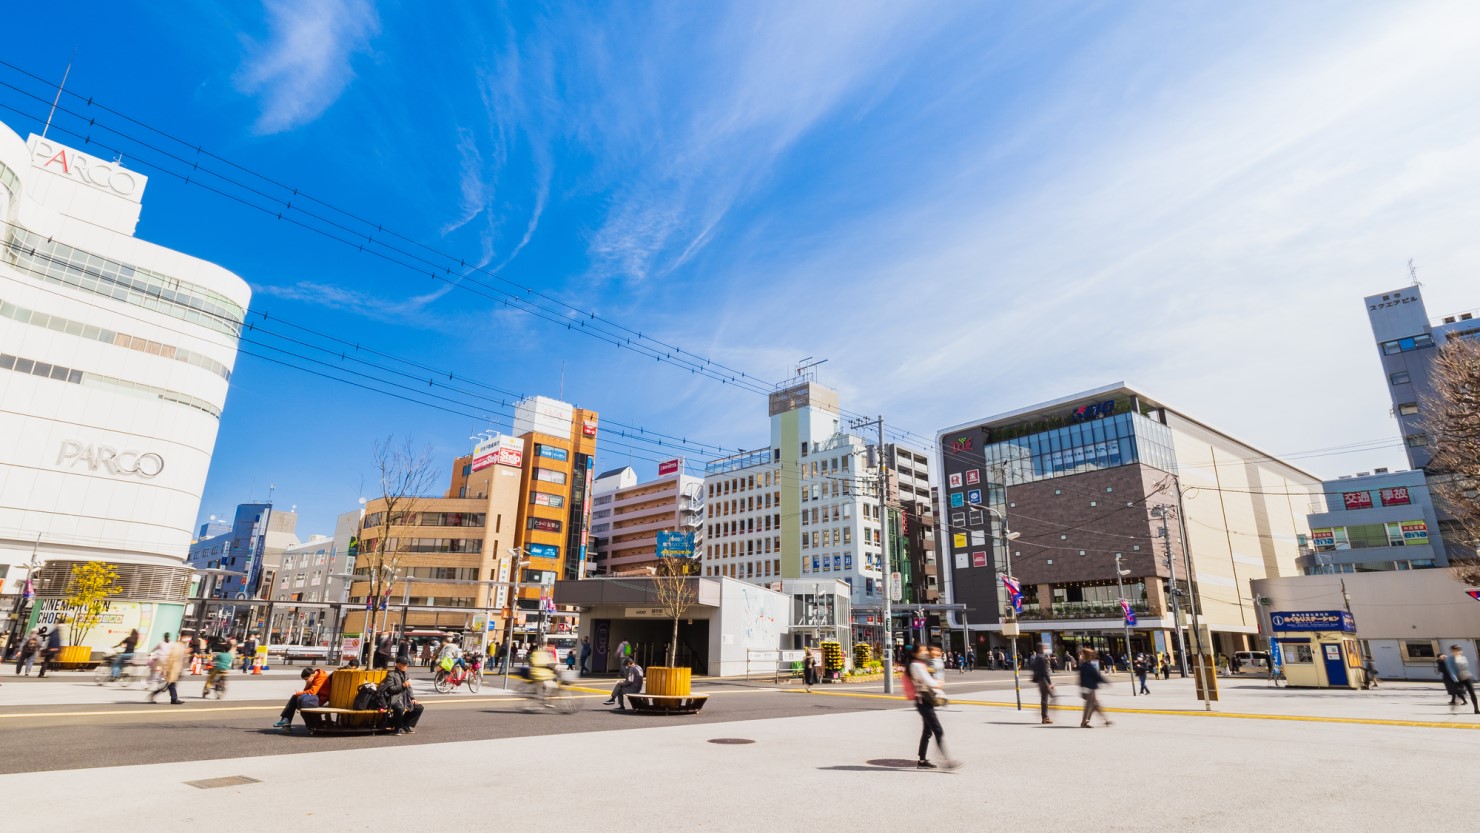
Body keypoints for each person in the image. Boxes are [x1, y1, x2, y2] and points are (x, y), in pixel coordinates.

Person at [907, 645, 958, 769]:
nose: (925, 652)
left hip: (926, 701)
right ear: (915, 653)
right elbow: (929, 681)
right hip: (923, 702)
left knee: (928, 731)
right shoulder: (916, 665)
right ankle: (947, 762)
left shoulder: (920, 664)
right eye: (922, 650)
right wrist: (939, 684)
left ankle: (922, 760)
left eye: (925, 650)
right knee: (938, 730)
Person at [381, 657, 423, 735]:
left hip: (405, 698)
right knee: (399, 708)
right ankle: (397, 727)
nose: (405, 666)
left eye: (406, 664)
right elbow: (391, 689)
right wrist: (402, 685)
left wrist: (413, 698)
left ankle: (405, 724)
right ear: (397, 664)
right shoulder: (391, 675)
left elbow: (409, 688)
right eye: (403, 664)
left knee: (419, 707)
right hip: (395, 698)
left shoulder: (406, 675)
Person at [149, 633, 187, 705]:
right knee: (168, 684)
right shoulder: (175, 645)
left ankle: (173, 698)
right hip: (170, 667)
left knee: (170, 684)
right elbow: (172, 658)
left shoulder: (177, 645)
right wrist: (166, 669)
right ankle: (172, 698)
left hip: (174, 668)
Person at [1078, 648, 1111, 728]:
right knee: (1089, 706)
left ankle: (1105, 720)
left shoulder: (1085, 665)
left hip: (1089, 688)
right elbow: (1096, 676)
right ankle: (1084, 722)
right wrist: (1105, 681)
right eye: (1092, 654)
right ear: (1089, 656)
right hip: (1089, 688)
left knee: (1095, 705)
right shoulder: (1086, 665)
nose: (1094, 656)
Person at [1028, 644, 1054, 724]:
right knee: (1049, 698)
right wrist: (1049, 683)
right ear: (1042, 648)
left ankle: (1044, 716)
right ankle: (1044, 716)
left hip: (1040, 680)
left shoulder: (1037, 657)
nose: (1046, 648)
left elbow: (1032, 666)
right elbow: (1045, 672)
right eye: (1045, 647)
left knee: (1045, 698)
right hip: (1043, 680)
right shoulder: (1041, 657)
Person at [1447, 645, 1478, 714]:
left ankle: (1476, 709)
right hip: (1458, 678)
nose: (1457, 651)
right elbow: (1451, 670)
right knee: (1459, 693)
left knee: (1472, 693)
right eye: (1455, 650)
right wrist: (1455, 679)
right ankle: (1455, 705)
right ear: (1452, 651)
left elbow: (1466, 668)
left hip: (1467, 677)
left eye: (1458, 650)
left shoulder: (1463, 658)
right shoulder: (1450, 659)